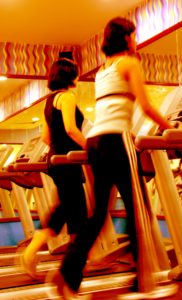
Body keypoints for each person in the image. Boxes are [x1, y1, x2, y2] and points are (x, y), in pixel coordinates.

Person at [45, 17, 174, 299]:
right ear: (126, 37)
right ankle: (143, 283)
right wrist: (172, 128)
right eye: (134, 35)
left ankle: (67, 274)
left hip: (95, 143)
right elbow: (146, 105)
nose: (136, 40)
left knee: (98, 214)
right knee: (139, 213)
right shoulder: (130, 63)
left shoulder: (104, 69)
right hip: (117, 141)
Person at [20, 57, 88, 298]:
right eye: (77, 74)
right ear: (71, 76)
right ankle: (69, 282)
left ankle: (32, 252)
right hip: (68, 160)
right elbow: (71, 128)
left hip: (56, 160)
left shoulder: (49, 102)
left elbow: (46, 138)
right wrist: (91, 148)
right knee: (79, 219)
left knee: (64, 211)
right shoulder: (68, 97)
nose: (79, 78)